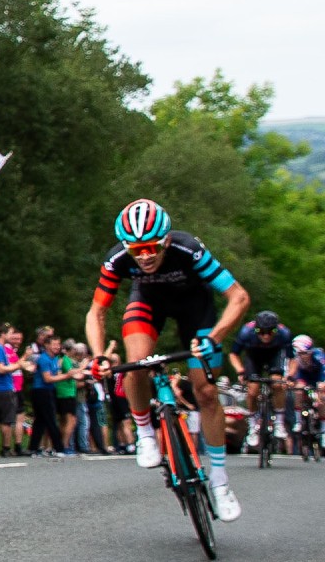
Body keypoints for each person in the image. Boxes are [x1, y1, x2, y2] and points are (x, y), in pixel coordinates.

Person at [83, 197, 249, 521]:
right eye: (136, 250)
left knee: (205, 392)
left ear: (167, 240)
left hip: (196, 310)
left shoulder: (189, 250)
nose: (144, 256)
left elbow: (238, 297)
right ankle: (145, 433)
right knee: (137, 363)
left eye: (152, 248)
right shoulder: (117, 259)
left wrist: (213, 338)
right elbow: (97, 313)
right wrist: (99, 355)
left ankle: (220, 482)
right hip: (148, 304)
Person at [231, 310, 292, 450]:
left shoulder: (284, 333)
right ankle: (253, 427)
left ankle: (279, 423)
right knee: (252, 390)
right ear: (255, 328)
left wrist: (290, 376)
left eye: (271, 332)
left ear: (276, 329)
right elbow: (234, 354)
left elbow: (292, 359)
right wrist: (240, 370)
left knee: (277, 384)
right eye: (261, 331)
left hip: (274, 356)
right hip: (253, 357)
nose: (265, 336)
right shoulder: (246, 332)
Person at [26, 332, 70, 457]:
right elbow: (48, 378)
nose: (57, 347)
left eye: (58, 344)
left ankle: (33, 448)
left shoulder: (55, 359)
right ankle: (59, 448)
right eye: (54, 344)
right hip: (41, 391)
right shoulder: (44, 359)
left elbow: (56, 375)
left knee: (40, 421)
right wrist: (67, 376)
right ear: (47, 346)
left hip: (49, 390)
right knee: (50, 419)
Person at [0, 323, 25, 456]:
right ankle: (6, 448)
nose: (12, 336)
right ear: (3, 334)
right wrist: (18, 365)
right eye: (10, 333)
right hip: (3, 388)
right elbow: (0, 368)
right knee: (7, 420)